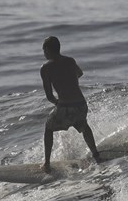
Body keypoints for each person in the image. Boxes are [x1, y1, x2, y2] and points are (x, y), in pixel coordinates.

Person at [40, 36, 101, 171]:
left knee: (48, 127)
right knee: (84, 125)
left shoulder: (45, 68)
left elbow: (49, 96)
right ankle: (96, 155)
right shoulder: (70, 61)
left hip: (66, 107)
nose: (43, 53)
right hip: (81, 104)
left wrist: (59, 103)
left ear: (48, 50)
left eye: (44, 50)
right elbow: (79, 73)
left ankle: (47, 164)